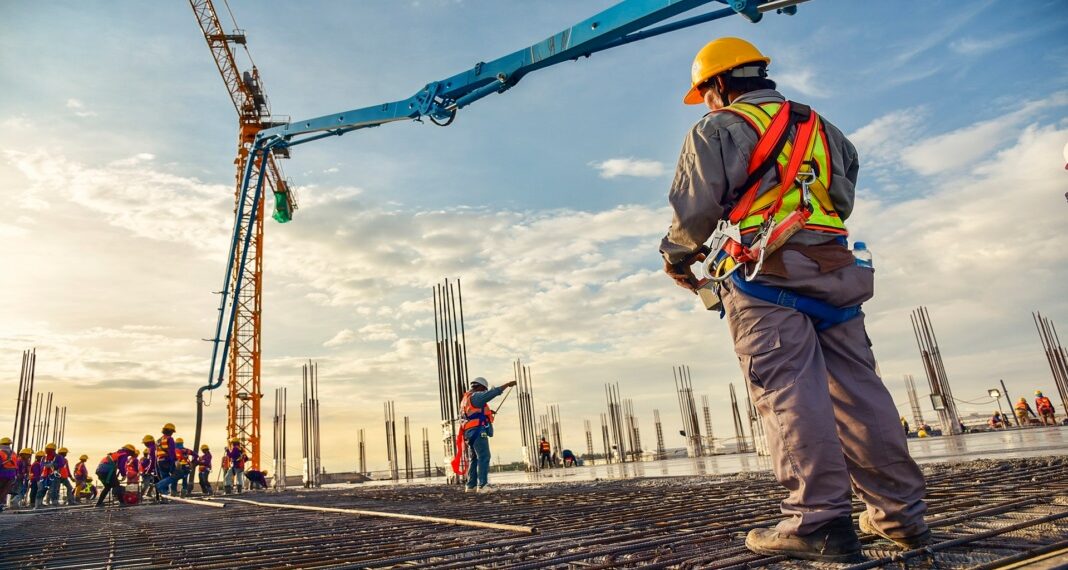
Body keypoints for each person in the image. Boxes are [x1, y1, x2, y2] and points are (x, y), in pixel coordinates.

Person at [660, 38, 929, 562]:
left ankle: (819, 522)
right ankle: (900, 516)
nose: (707, 102)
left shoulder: (716, 128)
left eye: (706, 93)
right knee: (859, 393)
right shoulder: (824, 129)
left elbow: (694, 211)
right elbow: (842, 198)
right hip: (835, 270)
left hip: (765, 277)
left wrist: (675, 257)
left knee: (788, 392)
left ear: (718, 84)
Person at [460, 376, 516, 493]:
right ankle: (483, 485)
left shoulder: (467, 398)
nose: (485, 392)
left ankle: (471, 486)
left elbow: (472, 413)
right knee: (484, 456)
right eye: (484, 390)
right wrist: (507, 384)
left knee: (474, 458)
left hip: (469, 432)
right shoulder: (477, 396)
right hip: (477, 431)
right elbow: (492, 393)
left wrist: (489, 412)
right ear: (480, 387)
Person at [0, 437, 17, 512]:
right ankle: (1, 505)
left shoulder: (0, 453)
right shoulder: (14, 453)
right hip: (12, 474)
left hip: (2, 474)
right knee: (5, 491)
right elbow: (17, 465)